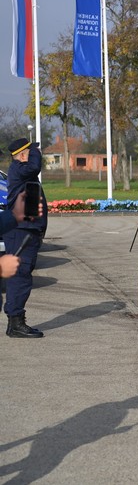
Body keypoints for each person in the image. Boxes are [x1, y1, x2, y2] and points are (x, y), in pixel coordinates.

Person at [4, 139, 49, 338]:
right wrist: (35, 153)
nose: (35, 154)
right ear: (23, 155)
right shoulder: (20, 169)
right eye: (31, 151)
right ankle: (16, 323)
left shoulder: (23, 171)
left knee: (22, 275)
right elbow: (35, 166)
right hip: (21, 231)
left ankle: (15, 322)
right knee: (20, 277)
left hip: (27, 230)